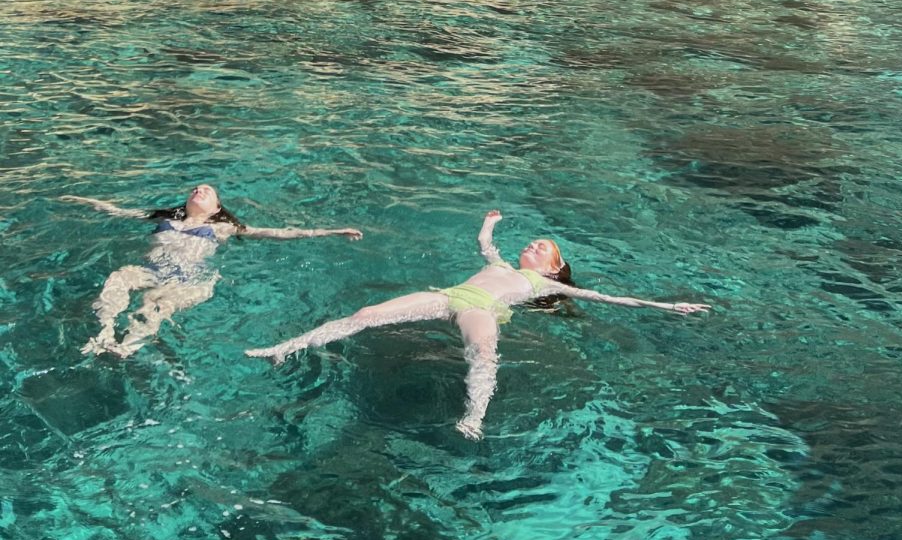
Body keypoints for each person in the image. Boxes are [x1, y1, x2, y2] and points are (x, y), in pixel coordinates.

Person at [246, 210, 709, 440]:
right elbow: (484, 245)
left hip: (481, 311)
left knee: (483, 355)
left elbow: (610, 297)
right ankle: (285, 346)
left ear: (553, 267)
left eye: (543, 246)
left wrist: (668, 307)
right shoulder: (504, 261)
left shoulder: (546, 284)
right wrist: (489, 225)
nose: (533, 244)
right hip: (447, 295)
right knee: (366, 315)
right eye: (533, 241)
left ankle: (473, 417)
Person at [63, 184, 362, 357]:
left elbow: (277, 233)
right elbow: (117, 211)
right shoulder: (163, 217)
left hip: (187, 280)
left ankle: (126, 348)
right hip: (150, 270)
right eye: (195, 188)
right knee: (120, 277)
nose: (199, 190)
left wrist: (332, 231)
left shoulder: (223, 228)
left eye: (207, 191)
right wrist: (84, 200)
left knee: (154, 305)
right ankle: (104, 330)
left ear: (217, 207)